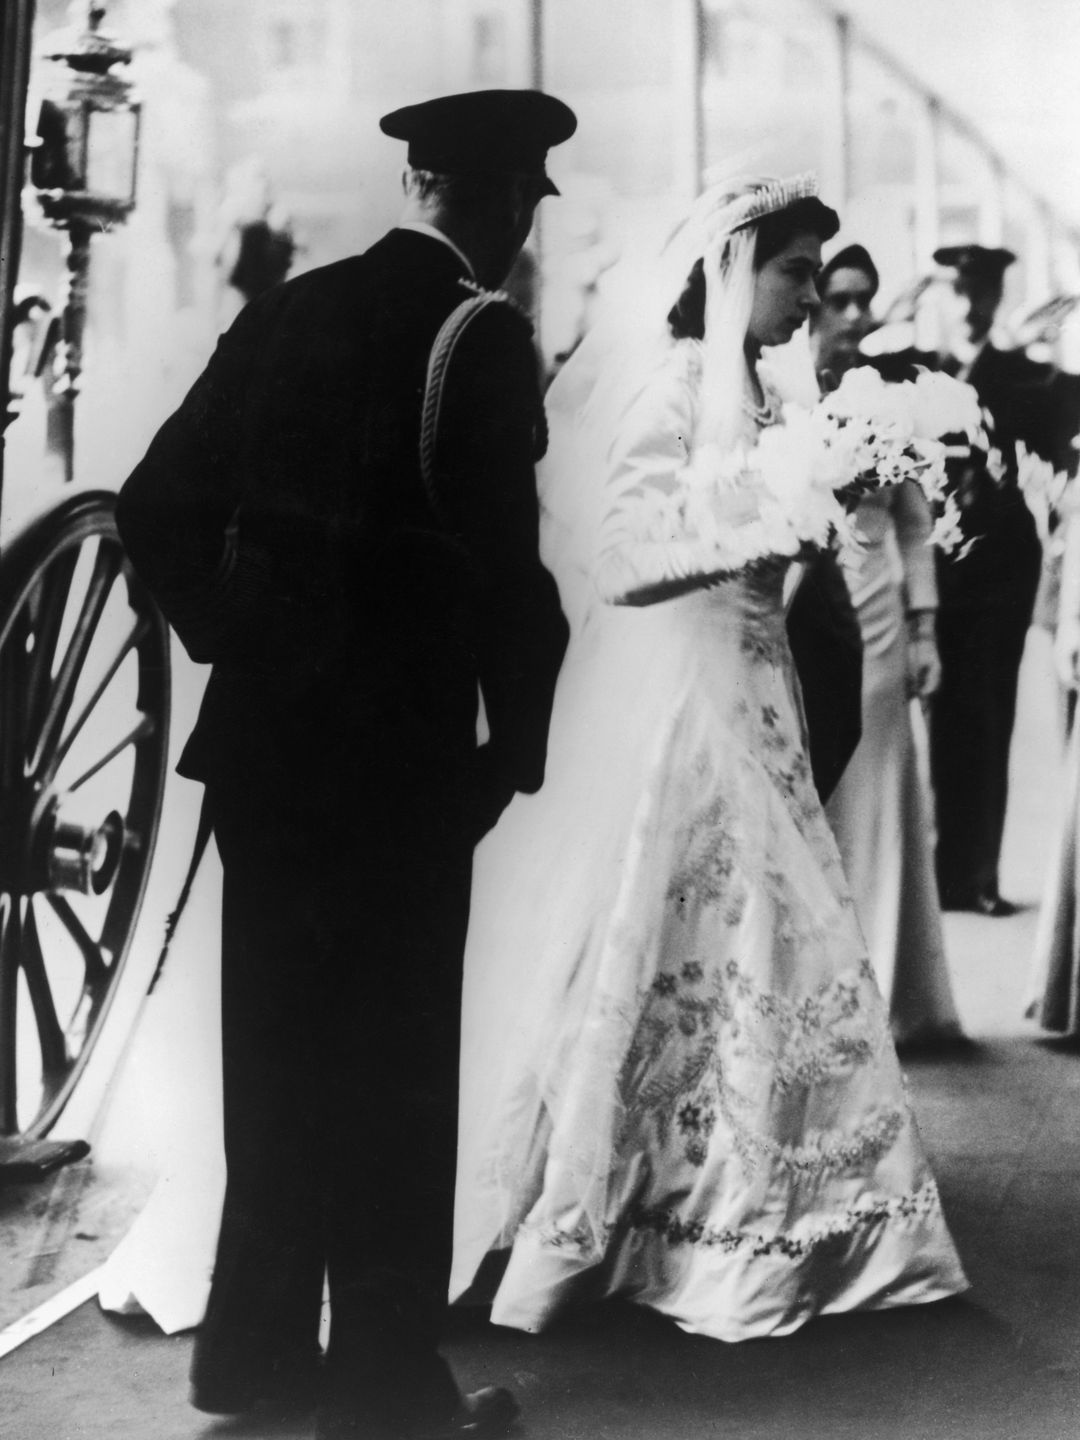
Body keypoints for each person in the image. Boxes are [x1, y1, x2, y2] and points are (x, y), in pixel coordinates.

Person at [115, 88, 575, 1440]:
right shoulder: (478, 336)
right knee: (393, 1066)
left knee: (275, 1050)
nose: (520, 226)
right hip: (403, 768)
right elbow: (509, 575)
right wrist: (523, 746)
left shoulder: (287, 315)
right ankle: (383, 1383)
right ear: (500, 202)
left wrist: (248, 642)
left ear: (415, 181)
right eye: (524, 202)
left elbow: (155, 508)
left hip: (263, 756)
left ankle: (251, 1357)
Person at [451, 177, 968, 1344]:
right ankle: (654, 1203)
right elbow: (625, 562)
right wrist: (764, 531)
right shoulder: (673, 381)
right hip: (679, 704)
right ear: (737, 265)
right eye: (793, 272)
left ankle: (771, 1199)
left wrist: (809, 522)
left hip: (753, 689)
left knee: (769, 941)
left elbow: (763, 558)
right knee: (688, 936)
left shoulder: (768, 390)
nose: (803, 301)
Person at [811, 244, 964, 1048]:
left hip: (880, 621)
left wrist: (925, 629)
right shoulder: (782, 394)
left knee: (882, 799)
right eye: (837, 298)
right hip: (805, 617)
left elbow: (914, 524)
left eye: (863, 300)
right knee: (821, 807)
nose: (854, 316)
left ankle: (892, 992)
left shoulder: (886, 399)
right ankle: (828, 987)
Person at [928, 244, 1061, 916]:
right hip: (931, 574)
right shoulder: (918, 372)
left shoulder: (1026, 377)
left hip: (999, 578)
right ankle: (940, 868)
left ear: (999, 297)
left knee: (986, 718)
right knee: (939, 719)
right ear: (941, 296)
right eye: (957, 290)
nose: (969, 305)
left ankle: (978, 874)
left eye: (981, 291)